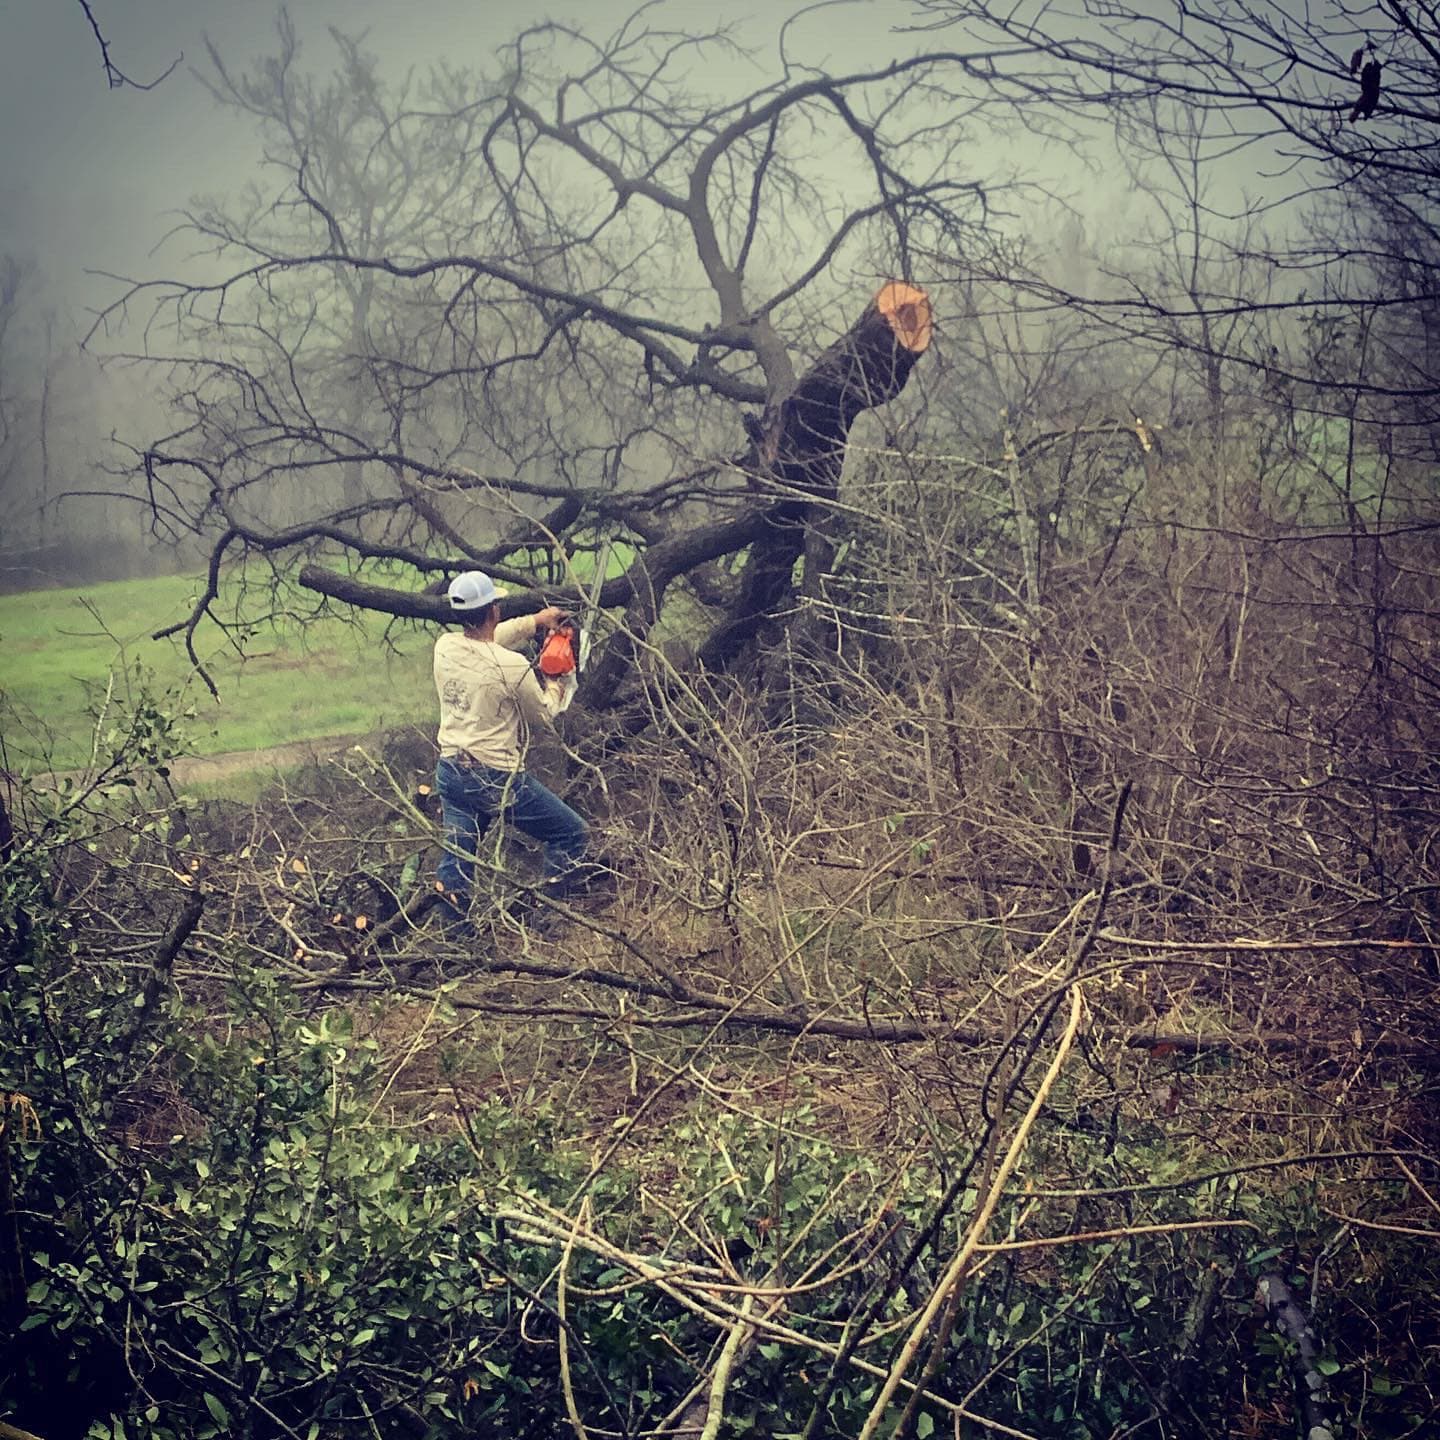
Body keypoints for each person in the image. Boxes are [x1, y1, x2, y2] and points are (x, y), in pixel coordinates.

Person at [432, 570, 588, 927]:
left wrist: (536, 622)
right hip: (494, 779)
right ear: (494, 611)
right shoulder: (511, 665)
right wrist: (559, 679)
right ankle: (550, 924)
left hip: (451, 771)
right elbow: (544, 713)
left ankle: (453, 939)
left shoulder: (446, 647)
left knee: (457, 859)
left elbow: (489, 642)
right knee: (570, 833)